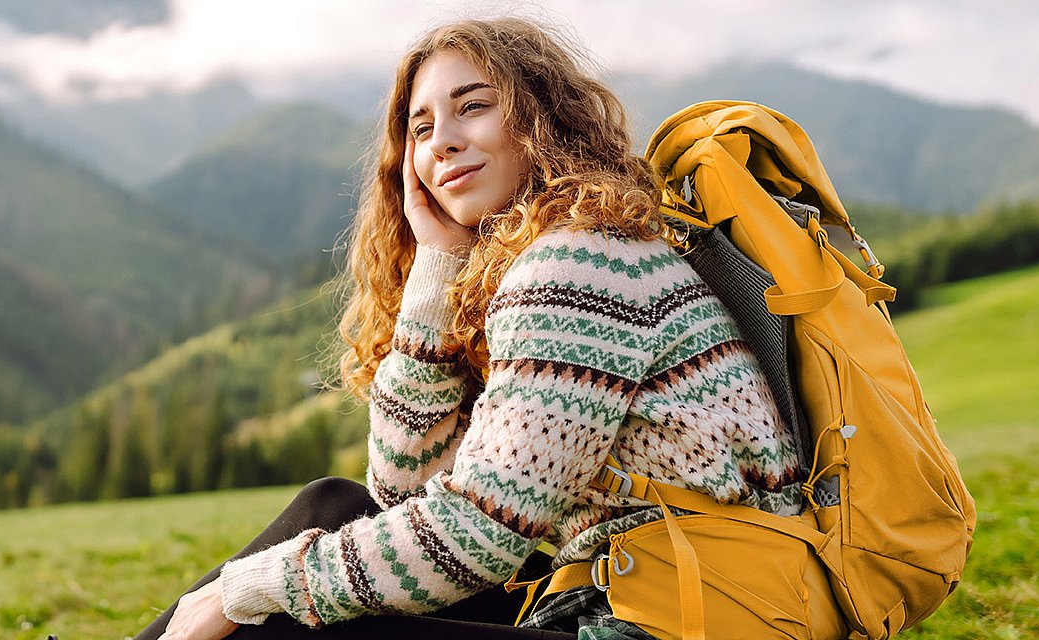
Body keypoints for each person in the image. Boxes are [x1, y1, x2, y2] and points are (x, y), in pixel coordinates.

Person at [137, 16, 810, 640]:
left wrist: (244, 590)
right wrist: (437, 265)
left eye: (473, 106)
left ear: (543, 121)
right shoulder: (568, 248)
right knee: (332, 504)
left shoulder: (579, 264)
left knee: (290, 617)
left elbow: (479, 537)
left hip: (679, 619)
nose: (443, 142)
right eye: (421, 128)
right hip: (638, 601)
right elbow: (399, 493)